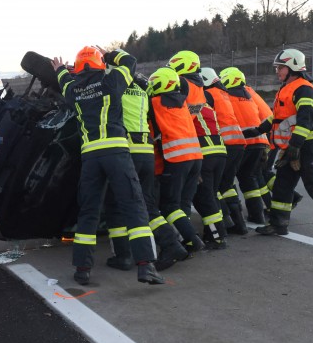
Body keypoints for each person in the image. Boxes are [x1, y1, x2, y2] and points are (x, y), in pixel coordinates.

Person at [51, 46, 164, 286]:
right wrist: (112, 53)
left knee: (89, 212)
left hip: (91, 157)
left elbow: (63, 81)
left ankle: (82, 269)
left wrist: (60, 69)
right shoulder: (112, 81)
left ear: (78, 68)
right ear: (101, 64)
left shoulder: (73, 90)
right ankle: (146, 266)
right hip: (116, 153)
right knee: (133, 205)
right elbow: (131, 61)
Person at [103, 72, 188, 272]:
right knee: (147, 205)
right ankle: (172, 243)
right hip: (146, 154)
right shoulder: (142, 90)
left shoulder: (115, 88)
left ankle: (123, 256)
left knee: (115, 204)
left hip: (127, 153)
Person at [245, 48, 313, 235]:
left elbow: (305, 119)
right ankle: (279, 224)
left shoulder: (304, 89)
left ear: (293, 67)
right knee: (282, 185)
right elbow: (278, 118)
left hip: (308, 147)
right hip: (292, 147)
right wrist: (258, 130)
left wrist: (295, 146)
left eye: (281, 68)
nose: (277, 71)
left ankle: (278, 223)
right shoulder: (286, 89)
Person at [168, 51, 228, 249]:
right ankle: (218, 232)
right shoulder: (200, 88)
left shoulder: (183, 84)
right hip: (216, 149)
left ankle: (216, 237)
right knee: (209, 195)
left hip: (201, 149)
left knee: (201, 196)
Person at [147, 67, 206, 253]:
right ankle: (189, 240)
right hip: (196, 158)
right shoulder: (183, 103)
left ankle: (193, 239)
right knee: (183, 203)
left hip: (177, 158)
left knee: (169, 205)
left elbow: (150, 132)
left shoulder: (155, 102)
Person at [220, 67, 272, 226]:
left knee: (227, 180)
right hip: (259, 143)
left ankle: (233, 217)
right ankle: (257, 215)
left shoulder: (226, 96)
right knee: (249, 179)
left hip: (241, 144)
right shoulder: (249, 96)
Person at [200, 67, 248, 235]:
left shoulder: (208, 94)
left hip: (223, 144)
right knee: (226, 186)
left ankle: (223, 224)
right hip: (238, 144)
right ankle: (239, 225)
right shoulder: (223, 93)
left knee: (214, 189)